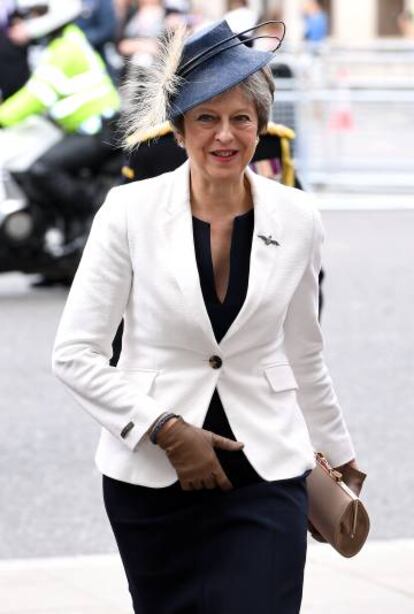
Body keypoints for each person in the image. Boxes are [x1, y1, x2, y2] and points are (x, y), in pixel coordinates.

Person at [52, 19, 365, 614]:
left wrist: (336, 449)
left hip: (268, 469)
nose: (225, 135)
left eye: (241, 119)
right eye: (206, 119)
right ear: (179, 129)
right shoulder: (128, 211)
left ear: (261, 125)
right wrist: (165, 429)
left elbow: (305, 350)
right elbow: (74, 355)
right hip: (151, 477)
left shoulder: (298, 217)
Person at [0, 0, 120, 237]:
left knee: (42, 169)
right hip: (87, 128)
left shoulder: (66, 48)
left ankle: (95, 214)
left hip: (99, 130)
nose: (31, 19)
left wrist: (2, 115)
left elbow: (36, 96)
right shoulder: (61, 42)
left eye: (37, 12)